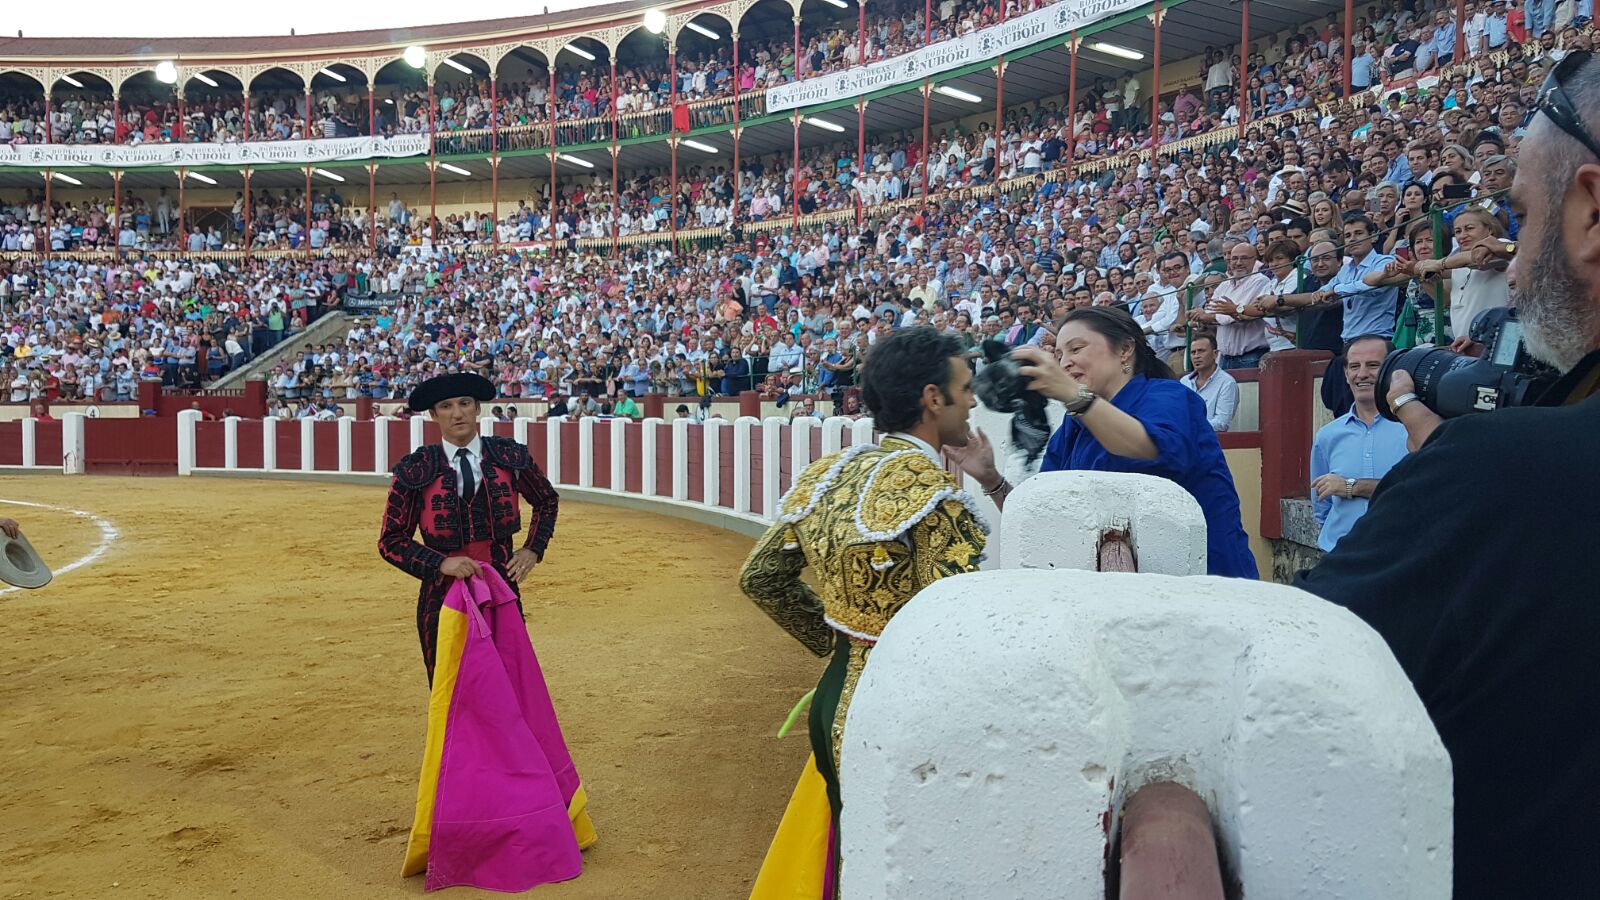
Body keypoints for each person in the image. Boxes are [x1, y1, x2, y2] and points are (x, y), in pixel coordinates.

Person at [1298, 51, 1600, 900]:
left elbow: (1285, 692)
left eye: (1522, 215)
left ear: (1591, 214)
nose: (1510, 267)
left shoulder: (1499, 477)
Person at [741, 327, 990, 899]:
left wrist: (839, 646)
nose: (973, 401)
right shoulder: (933, 494)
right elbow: (946, 631)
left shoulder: (828, 474)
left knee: (854, 852)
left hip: (834, 698)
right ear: (933, 398)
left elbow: (760, 579)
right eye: (966, 388)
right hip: (903, 706)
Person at [379, 371, 594, 890]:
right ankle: (464, 818)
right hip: (444, 602)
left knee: (512, 700)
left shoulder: (508, 456)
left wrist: (532, 550)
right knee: (455, 705)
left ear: (479, 410)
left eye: (467, 404)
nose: (459, 413)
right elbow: (389, 541)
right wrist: (438, 563)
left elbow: (547, 501)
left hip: (501, 593)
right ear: (434, 417)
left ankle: (522, 810)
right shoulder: (417, 469)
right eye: (449, 406)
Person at [968, 307, 1257, 578]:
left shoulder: (1168, 396)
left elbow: (1150, 449)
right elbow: (1044, 515)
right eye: (1058, 353)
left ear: (1125, 349)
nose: (1064, 361)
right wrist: (991, 479)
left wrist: (1074, 395)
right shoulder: (1075, 423)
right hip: (1114, 594)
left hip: (1205, 580)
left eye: (1076, 349)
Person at [1308, 336, 1410, 552]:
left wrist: (1350, 486)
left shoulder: (1412, 428)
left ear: (1392, 370)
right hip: (1341, 558)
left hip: (1399, 555)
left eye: (1373, 365)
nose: (1362, 374)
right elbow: (1322, 508)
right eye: (1354, 366)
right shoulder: (1327, 436)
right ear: (1346, 374)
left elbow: (1418, 491)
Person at [1179, 334, 1240, 432]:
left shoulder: (1227, 383)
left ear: (1215, 354)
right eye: (1193, 352)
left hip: (1210, 441)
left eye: (1201, 351)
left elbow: (1221, 423)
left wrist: (1190, 426)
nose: (1196, 356)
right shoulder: (1184, 381)